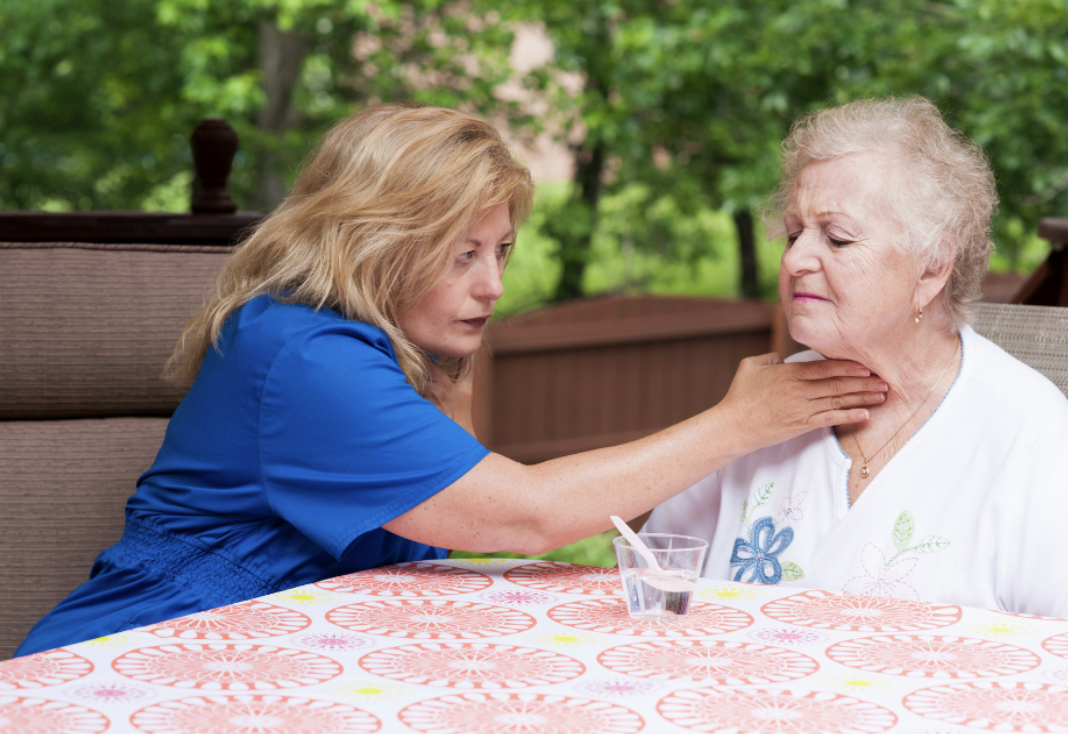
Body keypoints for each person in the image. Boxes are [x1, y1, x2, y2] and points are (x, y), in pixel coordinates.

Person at [16, 104, 885, 656]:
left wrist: (446, 363)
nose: (494, 285)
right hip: (135, 661)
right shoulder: (305, 356)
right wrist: (738, 422)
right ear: (376, 240)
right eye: (461, 254)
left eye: (500, 250)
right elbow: (522, 514)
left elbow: (446, 525)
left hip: (270, 658)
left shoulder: (369, 343)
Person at [645, 96, 1068, 622]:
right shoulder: (760, 407)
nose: (795, 258)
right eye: (795, 232)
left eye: (838, 237)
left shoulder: (1030, 438)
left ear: (932, 268)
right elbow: (655, 575)